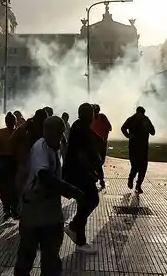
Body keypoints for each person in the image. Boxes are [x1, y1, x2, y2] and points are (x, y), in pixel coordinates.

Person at [14, 115, 82, 276]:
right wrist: (72, 191)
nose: (61, 138)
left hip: (48, 211)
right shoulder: (41, 148)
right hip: (36, 211)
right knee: (28, 256)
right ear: (48, 132)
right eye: (59, 134)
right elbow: (45, 176)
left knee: (49, 259)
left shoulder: (52, 148)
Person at [63, 103, 102, 253]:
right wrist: (91, 171)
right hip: (79, 174)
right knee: (92, 200)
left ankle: (80, 241)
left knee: (84, 203)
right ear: (87, 114)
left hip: (78, 172)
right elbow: (83, 153)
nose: (94, 116)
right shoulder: (81, 128)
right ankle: (73, 227)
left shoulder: (79, 126)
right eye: (92, 113)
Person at [0, 112, 19, 221]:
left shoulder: (17, 133)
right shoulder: (4, 133)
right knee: (4, 187)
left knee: (9, 187)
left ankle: (11, 208)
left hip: (7, 163)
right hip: (7, 162)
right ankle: (9, 208)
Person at [120, 106, 156, 193]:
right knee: (139, 167)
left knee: (139, 167)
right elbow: (153, 132)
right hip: (139, 147)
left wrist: (128, 135)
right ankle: (135, 182)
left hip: (138, 147)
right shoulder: (141, 119)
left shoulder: (137, 119)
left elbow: (153, 132)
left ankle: (135, 182)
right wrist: (128, 135)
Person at [89, 104, 111, 189]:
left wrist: (104, 136)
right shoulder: (90, 119)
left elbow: (109, 128)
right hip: (93, 144)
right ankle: (100, 180)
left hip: (101, 143)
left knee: (99, 162)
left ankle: (99, 178)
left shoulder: (102, 117)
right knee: (97, 163)